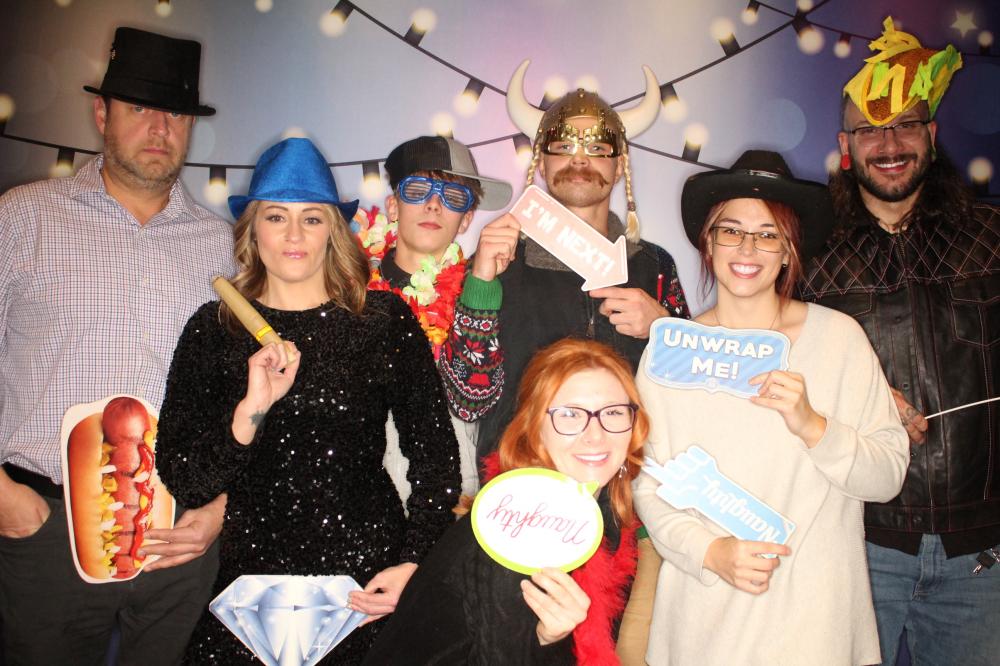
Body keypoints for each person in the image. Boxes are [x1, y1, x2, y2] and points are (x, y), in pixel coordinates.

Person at [155, 137, 461, 664]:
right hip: (250, 591)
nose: (294, 235)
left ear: (333, 230)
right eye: (276, 217)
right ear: (252, 229)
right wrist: (249, 413)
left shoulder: (381, 322)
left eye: (312, 218)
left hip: (366, 585)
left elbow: (436, 460)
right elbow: (185, 479)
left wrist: (414, 560)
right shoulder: (213, 329)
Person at [0, 27, 233, 664]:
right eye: (140, 108)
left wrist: (219, 507)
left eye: (176, 114)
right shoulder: (22, 218)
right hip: (45, 524)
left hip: (180, 534)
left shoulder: (222, 245)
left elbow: (243, 392)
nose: (160, 128)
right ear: (102, 113)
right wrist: (5, 500)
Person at [633, 150, 909, 664]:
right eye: (731, 231)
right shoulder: (670, 351)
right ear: (708, 243)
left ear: (788, 250)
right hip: (703, 629)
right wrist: (709, 552)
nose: (747, 248)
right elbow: (646, 482)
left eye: (767, 234)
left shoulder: (839, 340)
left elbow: (887, 476)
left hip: (814, 632)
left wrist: (813, 426)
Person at [800, 17, 999, 665]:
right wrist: (861, 398)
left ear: (931, 137)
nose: (889, 144)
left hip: (984, 554)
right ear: (845, 145)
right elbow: (769, 371)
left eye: (906, 125)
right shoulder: (806, 255)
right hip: (857, 543)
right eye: (869, 129)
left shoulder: (993, 237)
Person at [446, 61, 690, 464]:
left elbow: (690, 398)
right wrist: (481, 287)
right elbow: (467, 401)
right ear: (541, 164)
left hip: (626, 484)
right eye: (562, 148)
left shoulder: (655, 265)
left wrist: (663, 331)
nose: (579, 160)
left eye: (597, 149)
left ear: (619, 167)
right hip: (523, 485)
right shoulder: (500, 262)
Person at [362, 338, 648, 665]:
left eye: (613, 412)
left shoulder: (605, 513)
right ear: (534, 429)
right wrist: (548, 641)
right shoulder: (513, 534)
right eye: (569, 414)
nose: (595, 435)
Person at [354, 135, 512, 499]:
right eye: (418, 190)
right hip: (356, 491)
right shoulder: (346, 287)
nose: (434, 205)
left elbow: (473, 402)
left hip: (449, 492)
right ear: (393, 206)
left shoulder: (484, 290)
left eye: (453, 197)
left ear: (466, 220)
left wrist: (480, 287)